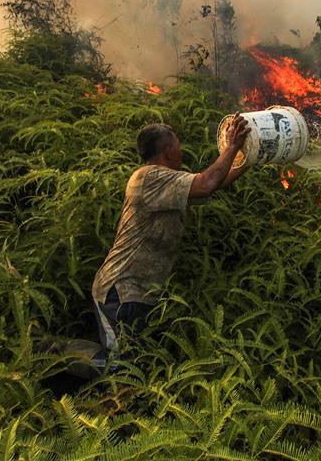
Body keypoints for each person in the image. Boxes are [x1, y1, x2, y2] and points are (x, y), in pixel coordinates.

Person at [89, 113, 251, 370]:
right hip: (120, 291)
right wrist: (232, 145)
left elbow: (216, 182)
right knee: (123, 370)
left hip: (141, 292)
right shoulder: (148, 178)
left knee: (137, 365)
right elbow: (207, 183)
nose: (181, 151)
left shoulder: (168, 182)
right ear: (167, 150)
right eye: (178, 145)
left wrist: (253, 156)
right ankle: (64, 363)